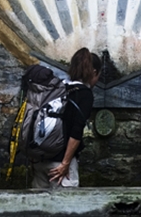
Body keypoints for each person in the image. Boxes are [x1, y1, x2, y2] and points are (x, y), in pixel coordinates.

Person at [31, 48, 100, 189]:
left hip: (40, 160)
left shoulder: (58, 88)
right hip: (60, 167)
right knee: (67, 208)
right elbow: (76, 131)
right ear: (93, 72)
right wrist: (65, 163)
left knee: (39, 208)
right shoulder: (84, 94)